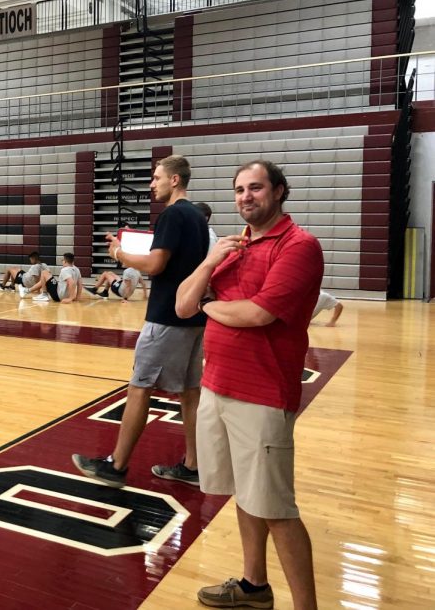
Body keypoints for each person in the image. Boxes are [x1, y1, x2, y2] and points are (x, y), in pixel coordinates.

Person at [175, 160, 322, 609]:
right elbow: (183, 306)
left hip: (263, 395)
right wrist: (210, 264)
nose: (245, 197)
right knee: (245, 494)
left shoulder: (299, 245)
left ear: (279, 191)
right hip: (217, 387)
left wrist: (209, 304)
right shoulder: (232, 248)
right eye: (239, 189)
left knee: (277, 509)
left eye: (256, 188)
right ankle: (254, 586)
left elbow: (258, 314)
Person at [72, 155, 208, 488]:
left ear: (174, 180)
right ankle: (193, 465)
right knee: (191, 393)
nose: (152, 184)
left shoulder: (173, 214)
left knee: (139, 387)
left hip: (165, 319)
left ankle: (115, 465)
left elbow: (155, 264)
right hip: (193, 316)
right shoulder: (198, 217)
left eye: (156, 177)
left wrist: (118, 253)